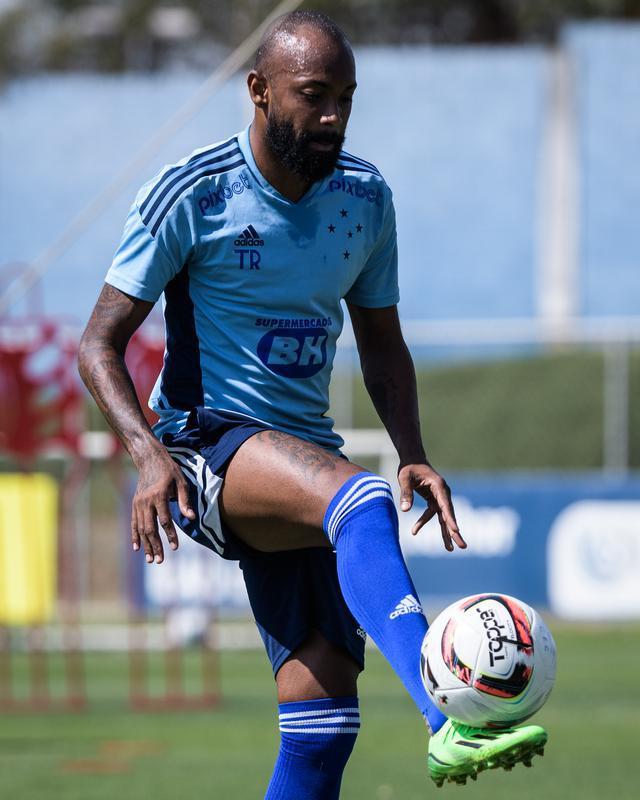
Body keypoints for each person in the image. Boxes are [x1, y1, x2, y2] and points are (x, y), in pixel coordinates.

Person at [78, 9, 547, 796]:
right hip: (206, 444)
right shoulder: (193, 193)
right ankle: (449, 715)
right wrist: (147, 453)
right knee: (358, 499)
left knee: (322, 724)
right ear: (258, 91)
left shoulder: (364, 198)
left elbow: (384, 346)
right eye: (313, 95)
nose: (331, 116)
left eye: (346, 98)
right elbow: (98, 342)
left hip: (300, 457)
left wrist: (415, 451)